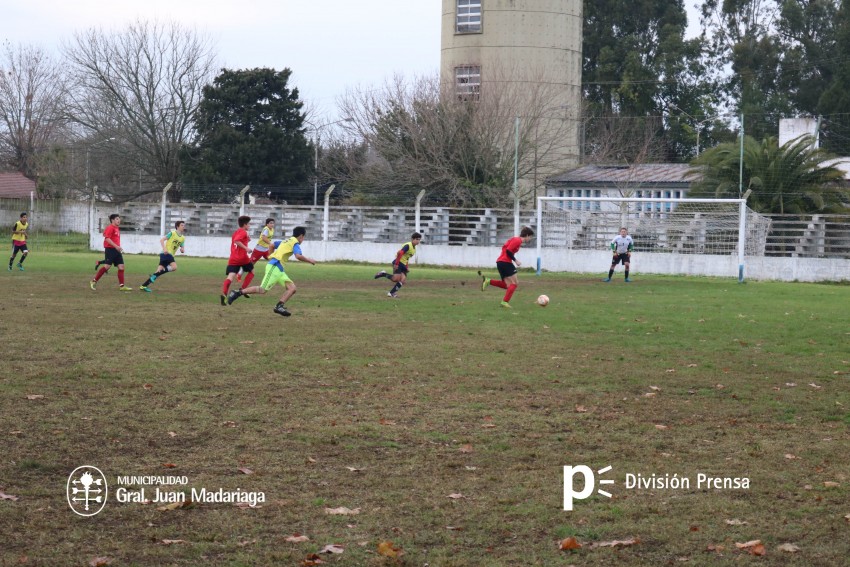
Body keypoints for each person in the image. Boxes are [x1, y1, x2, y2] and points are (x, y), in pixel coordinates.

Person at [227, 226, 316, 317]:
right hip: (274, 267)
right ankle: (237, 293)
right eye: (303, 237)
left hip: (279, 269)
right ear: (301, 236)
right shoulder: (295, 244)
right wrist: (310, 260)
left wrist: (271, 256)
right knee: (262, 290)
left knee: (292, 288)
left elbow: (272, 245)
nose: (303, 239)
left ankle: (279, 306)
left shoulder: (286, 241)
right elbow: (298, 256)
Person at [478, 226, 534, 308]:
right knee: (515, 283)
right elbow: (508, 251)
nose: (530, 239)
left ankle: (488, 281)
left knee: (507, 285)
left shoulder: (517, 240)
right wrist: (516, 260)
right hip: (505, 262)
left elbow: (506, 248)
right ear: (527, 235)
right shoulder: (517, 240)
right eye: (530, 237)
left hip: (501, 262)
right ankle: (504, 302)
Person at [139, 220, 186, 292]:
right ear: (177, 226)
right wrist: (164, 249)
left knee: (157, 272)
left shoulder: (183, 238)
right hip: (166, 253)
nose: (183, 226)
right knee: (174, 267)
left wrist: (182, 249)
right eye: (182, 225)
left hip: (168, 255)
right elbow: (162, 240)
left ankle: (143, 286)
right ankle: (157, 274)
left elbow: (182, 247)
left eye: (184, 225)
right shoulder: (172, 233)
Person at [91, 213, 132, 291]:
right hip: (110, 250)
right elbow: (107, 238)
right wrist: (116, 246)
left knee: (121, 267)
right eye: (117, 219)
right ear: (112, 220)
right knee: (107, 267)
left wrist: (118, 247)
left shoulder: (116, 228)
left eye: (119, 219)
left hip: (117, 250)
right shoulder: (110, 228)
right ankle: (93, 281)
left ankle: (122, 286)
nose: (119, 220)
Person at [374, 232, 422, 298]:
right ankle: (383, 274)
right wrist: (396, 264)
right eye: (417, 239)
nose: (418, 241)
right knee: (395, 279)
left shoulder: (414, 249)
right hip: (399, 262)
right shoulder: (408, 245)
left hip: (403, 265)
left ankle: (391, 293)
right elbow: (400, 253)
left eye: (419, 239)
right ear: (412, 239)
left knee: (403, 280)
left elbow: (407, 258)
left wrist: (406, 267)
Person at [221, 215, 254, 305]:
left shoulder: (236, 232)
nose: (249, 225)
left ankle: (224, 295)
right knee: (252, 272)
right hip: (242, 257)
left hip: (233, 258)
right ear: (245, 224)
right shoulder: (243, 232)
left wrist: (247, 239)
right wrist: (246, 248)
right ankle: (242, 290)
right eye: (249, 224)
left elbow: (238, 241)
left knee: (230, 277)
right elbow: (237, 241)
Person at [237, 218, 275, 282]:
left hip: (266, 250)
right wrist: (270, 243)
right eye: (270, 223)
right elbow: (263, 238)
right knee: (250, 264)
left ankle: (272, 275)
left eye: (273, 223)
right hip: (259, 249)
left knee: (272, 261)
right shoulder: (266, 229)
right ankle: (239, 274)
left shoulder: (272, 230)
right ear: (267, 224)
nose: (272, 224)